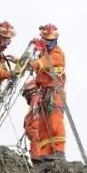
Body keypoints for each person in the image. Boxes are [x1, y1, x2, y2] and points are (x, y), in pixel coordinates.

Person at [29, 23, 65, 161]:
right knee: (43, 125)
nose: (48, 43)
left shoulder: (57, 53)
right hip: (44, 92)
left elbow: (46, 62)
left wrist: (37, 63)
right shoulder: (44, 53)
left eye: (51, 41)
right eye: (46, 40)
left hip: (54, 92)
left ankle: (59, 151)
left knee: (55, 121)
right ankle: (45, 153)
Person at [22, 80, 43, 164]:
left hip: (37, 145)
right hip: (39, 142)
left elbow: (36, 120)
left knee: (35, 132)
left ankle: (37, 158)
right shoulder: (37, 99)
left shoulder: (36, 99)